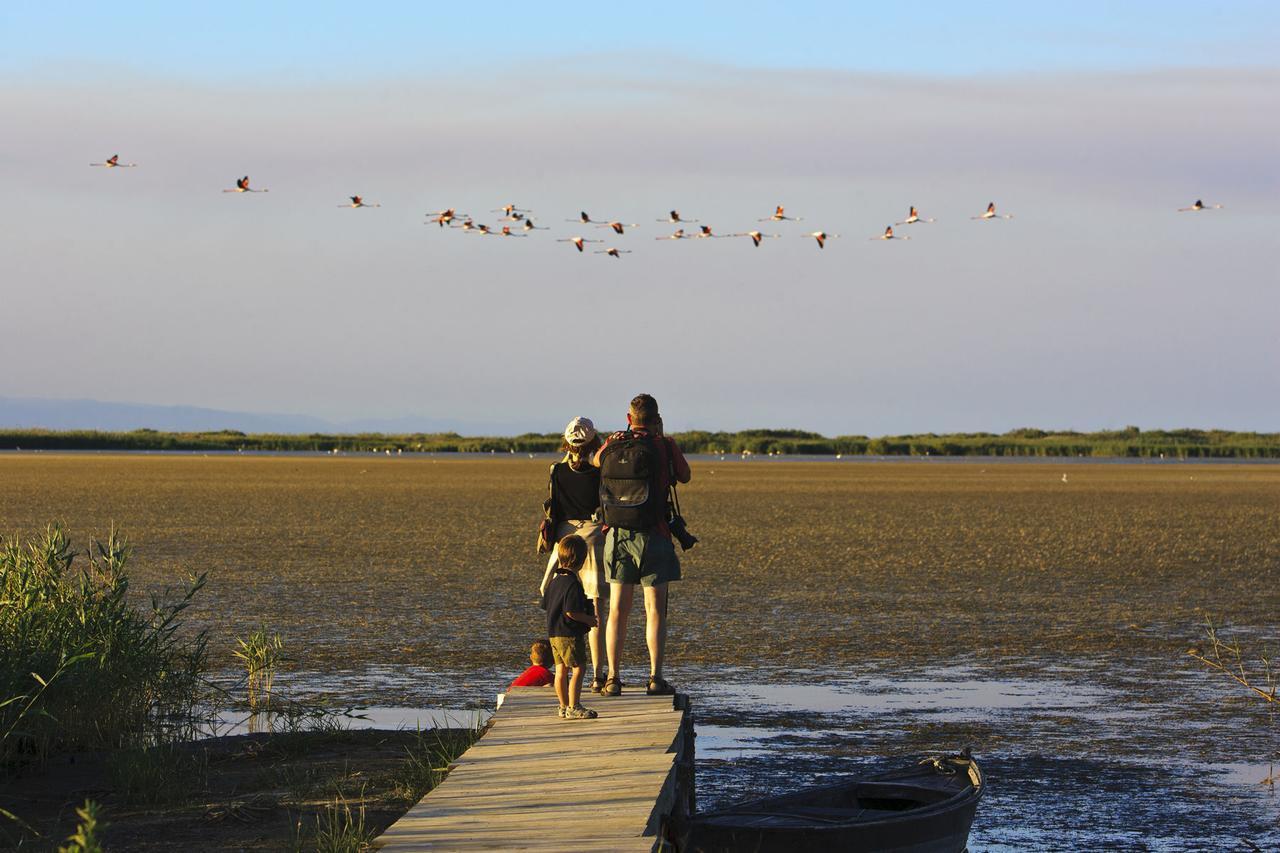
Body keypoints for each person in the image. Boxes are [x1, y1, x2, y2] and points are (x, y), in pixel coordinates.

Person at [593, 393, 691, 697]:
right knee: (655, 611)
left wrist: (618, 442)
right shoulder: (665, 445)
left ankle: (613, 678)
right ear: (657, 419)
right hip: (656, 535)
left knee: (617, 611)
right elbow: (685, 476)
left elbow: (597, 461)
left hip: (618, 534)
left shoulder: (614, 441)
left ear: (629, 418)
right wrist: (661, 440)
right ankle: (654, 677)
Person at [538, 416, 610, 692]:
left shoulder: (556, 470)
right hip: (593, 537)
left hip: (564, 539)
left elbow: (553, 508)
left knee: (562, 603)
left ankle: (564, 671)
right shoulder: (599, 472)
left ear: (567, 442)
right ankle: (598, 674)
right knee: (595, 610)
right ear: (593, 440)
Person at [542, 535, 599, 719]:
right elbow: (571, 612)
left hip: (553, 633)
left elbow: (546, 605)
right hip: (569, 634)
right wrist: (589, 620)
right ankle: (574, 706)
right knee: (579, 668)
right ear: (582, 561)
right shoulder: (572, 583)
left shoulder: (554, 582)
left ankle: (563, 706)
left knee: (560, 670)